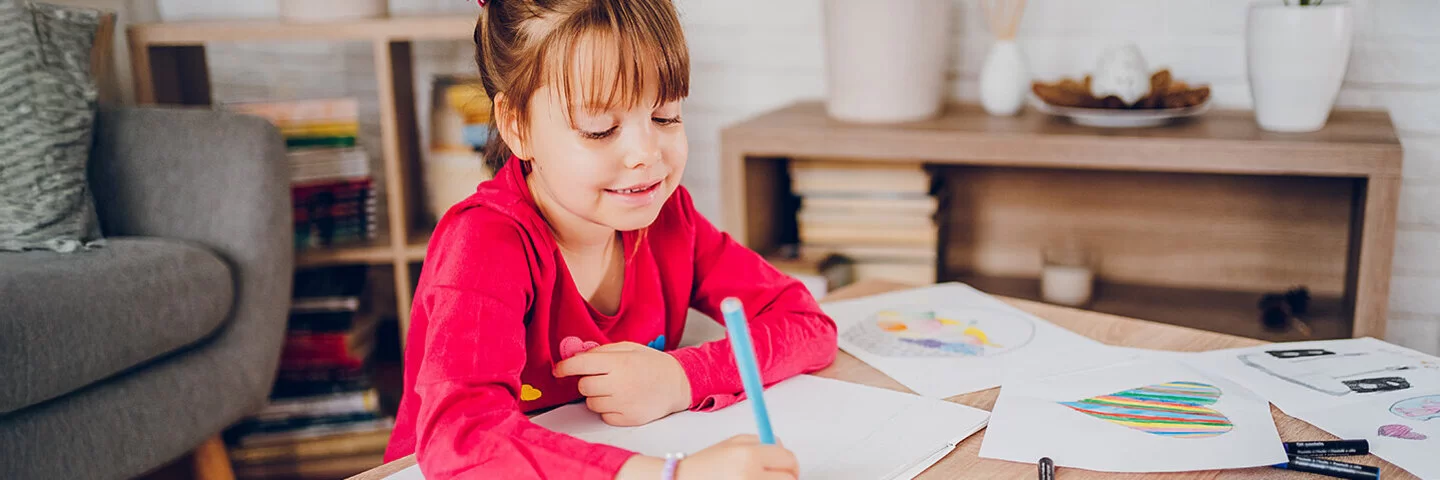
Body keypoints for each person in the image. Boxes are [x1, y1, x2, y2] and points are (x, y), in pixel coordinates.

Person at [383, 0, 838, 478]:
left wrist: (681, 378)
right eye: (600, 129)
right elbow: (462, 438)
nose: (645, 153)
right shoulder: (482, 243)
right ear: (517, 125)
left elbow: (807, 324)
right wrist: (671, 475)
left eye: (665, 116)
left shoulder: (668, 221)